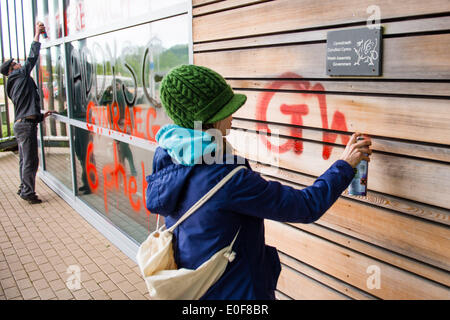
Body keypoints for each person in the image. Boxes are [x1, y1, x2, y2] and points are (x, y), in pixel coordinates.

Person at [145, 64, 372, 299]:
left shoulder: (170, 158)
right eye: (226, 109)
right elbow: (305, 206)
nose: (232, 116)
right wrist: (345, 166)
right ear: (207, 120)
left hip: (199, 288)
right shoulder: (226, 179)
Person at [1, 22, 55, 204]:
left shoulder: (13, 84)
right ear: (11, 70)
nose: (19, 64)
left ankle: (23, 187)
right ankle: (28, 192)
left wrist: (42, 116)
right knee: (30, 160)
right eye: (15, 64)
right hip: (25, 126)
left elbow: (26, 105)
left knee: (24, 160)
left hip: (21, 124)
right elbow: (32, 58)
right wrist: (36, 35)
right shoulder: (19, 76)